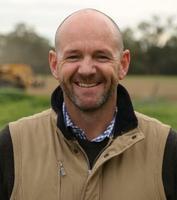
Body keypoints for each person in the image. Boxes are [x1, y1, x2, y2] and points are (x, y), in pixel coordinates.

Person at [0, 8, 177, 200]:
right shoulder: (11, 146)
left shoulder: (167, 150)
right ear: (54, 64)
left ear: (123, 64)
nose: (86, 70)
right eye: (73, 56)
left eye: (101, 56)